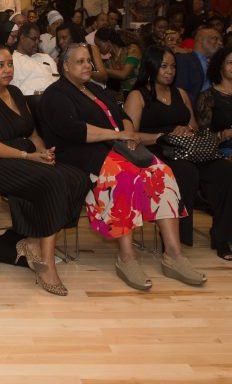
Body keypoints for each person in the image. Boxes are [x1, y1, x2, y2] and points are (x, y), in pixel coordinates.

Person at [41, 43, 207, 291]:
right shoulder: (56, 94)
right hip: (79, 154)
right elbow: (74, 130)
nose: (88, 65)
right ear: (65, 66)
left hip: (116, 149)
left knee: (163, 172)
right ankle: (126, 257)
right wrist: (115, 135)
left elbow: (123, 116)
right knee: (123, 176)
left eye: (89, 61)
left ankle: (173, 254)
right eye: (80, 61)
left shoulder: (97, 90)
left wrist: (129, 134)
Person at [0, 42, 90, 296]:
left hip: (23, 159)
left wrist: (44, 154)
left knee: (76, 176)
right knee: (53, 181)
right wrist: (27, 156)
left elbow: (32, 133)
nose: (7, 69)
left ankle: (32, 240)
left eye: (10, 63)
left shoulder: (16, 93)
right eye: (0, 65)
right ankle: (45, 265)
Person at [124, 45, 232, 260]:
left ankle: (221, 237)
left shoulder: (180, 93)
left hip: (187, 149)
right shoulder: (138, 95)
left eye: (173, 66)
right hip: (156, 150)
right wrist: (163, 135)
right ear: (151, 66)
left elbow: (193, 126)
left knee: (225, 171)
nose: (170, 71)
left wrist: (186, 130)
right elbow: (130, 135)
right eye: (164, 66)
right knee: (185, 172)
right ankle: (175, 242)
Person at [196, 45, 232, 159]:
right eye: (231, 62)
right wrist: (225, 134)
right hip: (223, 149)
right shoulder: (208, 96)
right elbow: (203, 138)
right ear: (220, 65)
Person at [175, 27, 223, 107]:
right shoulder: (184, 59)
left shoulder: (217, 63)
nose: (220, 43)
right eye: (215, 39)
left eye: (221, 40)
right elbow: (181, 91)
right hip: (193, 110)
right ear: (200, 39)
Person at [95, 27, 142, 102]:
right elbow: (102, 78)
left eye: (99, 45)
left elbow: (123, 74)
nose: (98, 49)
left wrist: (101, 69)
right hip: (122, 97)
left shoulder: (132, 49)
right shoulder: (109, 62)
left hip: (137, 94)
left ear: (108, 42)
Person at [11, 22, 59, 95]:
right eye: (34, 39)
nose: (37, 42)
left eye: (38, 40)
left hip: (56, 95)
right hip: (32, 100)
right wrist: (36, 93)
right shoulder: (12, 60)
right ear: (22, 38)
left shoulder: (46, 57)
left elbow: (57, 78)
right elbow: (13, 88)